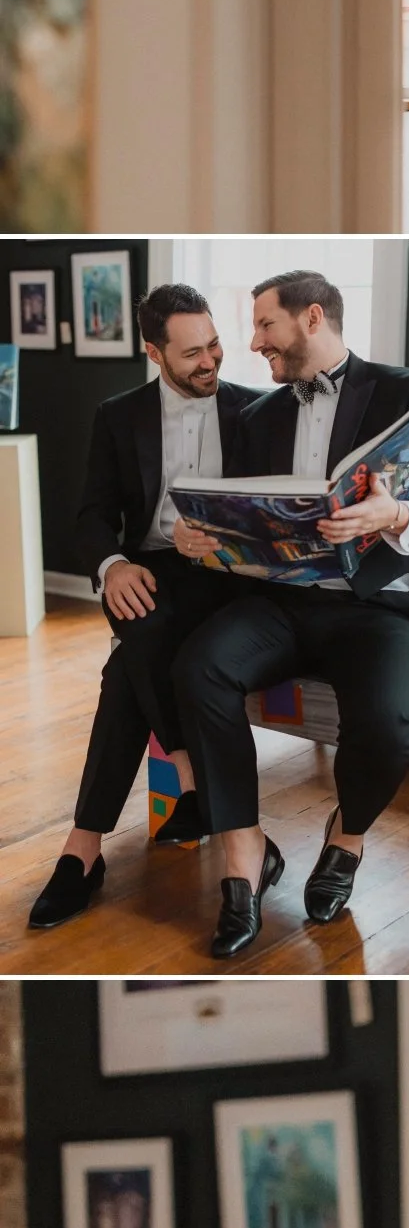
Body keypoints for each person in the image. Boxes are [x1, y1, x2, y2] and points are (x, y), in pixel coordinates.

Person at [157, 266, 409, 951]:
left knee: (387, 728)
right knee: (198, 667)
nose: (254, 340)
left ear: (314, 318)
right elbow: (242, 521)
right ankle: (243, 857)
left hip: (378, 608)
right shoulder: (257, 415)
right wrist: (197, 536)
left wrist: (394, 513)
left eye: (265, 324)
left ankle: (346, 839)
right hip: (280, 603)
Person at [26, 282, 274, 931]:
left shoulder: (254, 412)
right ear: (153, 352)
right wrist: (111, 567)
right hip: (150, 569)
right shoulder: (119, 415)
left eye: (215, 345)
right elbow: (91, 517)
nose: (210, 362)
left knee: (126, 670)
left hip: (228, 575)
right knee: (140, 614)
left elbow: (276, 517)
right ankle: (194, 786)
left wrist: (226, 539)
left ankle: (83, 852)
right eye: (192, 352)